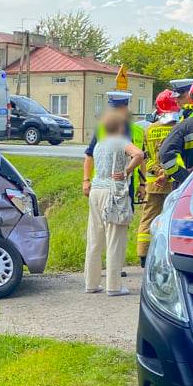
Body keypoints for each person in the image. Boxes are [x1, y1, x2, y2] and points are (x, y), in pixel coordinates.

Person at [85, 111, 144, 296]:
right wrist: (127, 171)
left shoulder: (99, 145)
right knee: (115, 239)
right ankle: (113, 285)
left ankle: (91, 283)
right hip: (114, 192)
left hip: (96, 191)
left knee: (95, 238)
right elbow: (139, 154)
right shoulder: (121, 141)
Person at [136, 89, 180, 267]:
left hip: (153, 181)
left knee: (147, 218)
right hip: (173, 181)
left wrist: (157, 172)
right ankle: (169, 256)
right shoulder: (179, 127)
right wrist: (167, 173)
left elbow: (148, 156)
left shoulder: (150, 129)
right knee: (173, 219)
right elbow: (177, 156)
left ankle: (143, 255)